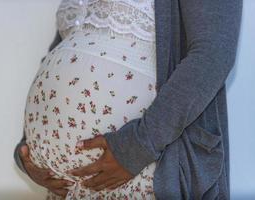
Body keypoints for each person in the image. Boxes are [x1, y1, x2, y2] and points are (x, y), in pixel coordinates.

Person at [14, 0, 243, 199]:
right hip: (65, 188)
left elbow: (213, 54)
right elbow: (61, 54)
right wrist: (29, 152)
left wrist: (137, 147)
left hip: (142, 172)